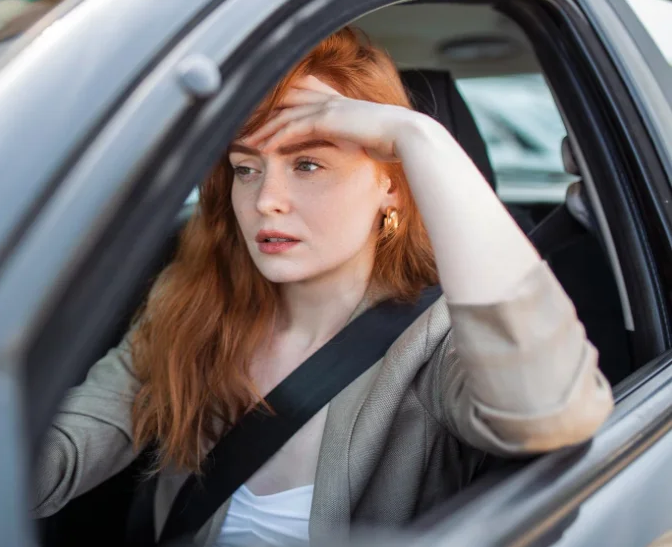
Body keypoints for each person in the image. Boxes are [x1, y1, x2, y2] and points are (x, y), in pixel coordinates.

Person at [33, 27, 614, 546]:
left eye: (307, 164)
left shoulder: (436, 346)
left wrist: (420, 136)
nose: (265, 200)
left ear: (391, 184)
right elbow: (60, 455)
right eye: (245, 167)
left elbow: (550, 412)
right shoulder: (191, 307)